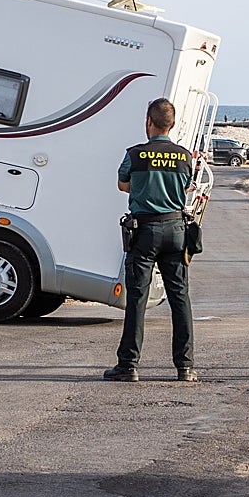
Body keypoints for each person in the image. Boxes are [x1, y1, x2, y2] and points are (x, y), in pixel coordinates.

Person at [104, 98, 198, 383]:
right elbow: (186, 186)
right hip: (175, 230)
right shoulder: (184, 156)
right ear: (173, 123)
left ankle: (128, 365)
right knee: (179, 298)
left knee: (137, 298)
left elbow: (123, 184)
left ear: (149, 122)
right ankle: (186, 367)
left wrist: (144, 186)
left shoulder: (135, 154)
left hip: (145, 231)